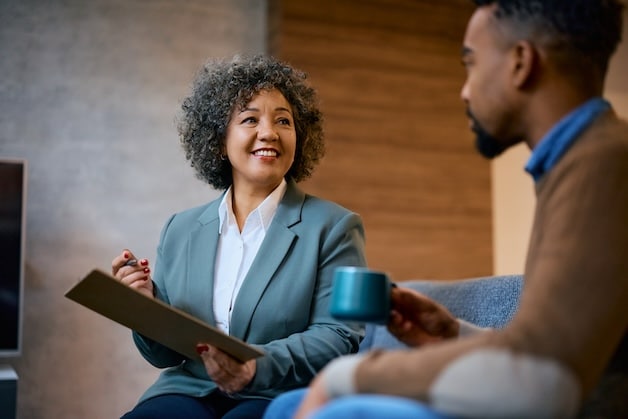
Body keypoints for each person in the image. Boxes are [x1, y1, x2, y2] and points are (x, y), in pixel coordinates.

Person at [263, 0, 628, 418]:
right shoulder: (583, 159)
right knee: (289, 404)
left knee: (335, 408)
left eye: (470, 63)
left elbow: (545, 383)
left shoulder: (605, 165)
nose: (465, 90)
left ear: (521, 62)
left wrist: (346, 376)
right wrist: (453, 336)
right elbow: (549, 350)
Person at [111, 54, 367, 419]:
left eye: (283, 120)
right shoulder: (180, 229)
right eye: (250, 119)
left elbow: (338, 336)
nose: (269, 132)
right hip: (189, 388)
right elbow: (163, 355)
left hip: (277, 393)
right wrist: (142, 306)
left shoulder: (334, 227)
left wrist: (254, 366)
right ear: (219, 140)